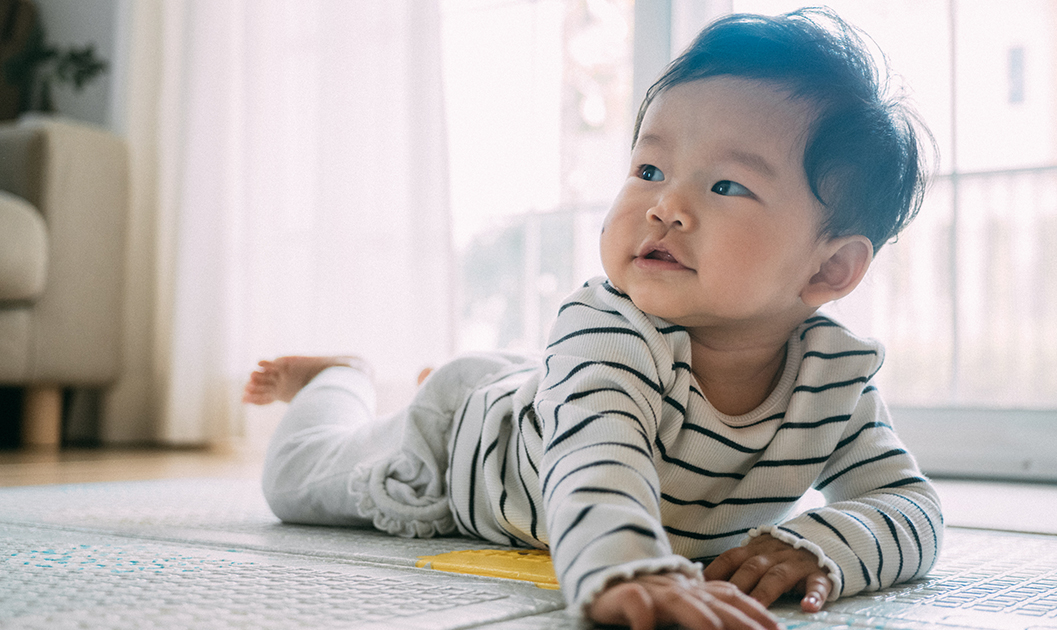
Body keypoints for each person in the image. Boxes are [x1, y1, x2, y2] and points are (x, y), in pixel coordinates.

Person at [244, 8, 942, 630]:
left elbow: (910, 506)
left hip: (553, 391)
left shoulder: (832, 377)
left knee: (562, 388)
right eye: (648, 170)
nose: (666, 205)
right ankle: (339, 381)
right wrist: (630, 566)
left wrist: (820, 543)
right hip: (460, 444)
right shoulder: (608, 327)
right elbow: (596, 461)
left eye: (727, 185)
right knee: (295, 481)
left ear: (828, 270)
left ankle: (511, 380)